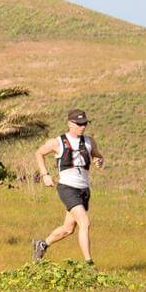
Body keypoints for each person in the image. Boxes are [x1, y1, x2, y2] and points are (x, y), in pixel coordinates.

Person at [31, 109, 105, 263]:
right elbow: (39, 153)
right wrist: (45, 175)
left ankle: (42, 244)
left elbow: (97, 155)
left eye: (84, 123)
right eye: (79, 124)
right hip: (67, 187)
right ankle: (88, 264)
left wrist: (99, 160)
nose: (82, 126)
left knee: (68, 229)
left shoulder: (89, 141)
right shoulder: (57, 142)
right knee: (85, 222)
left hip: (84, 189)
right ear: (70, 123)